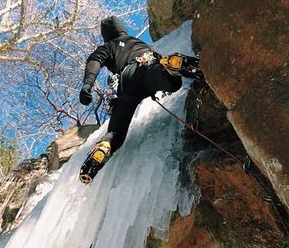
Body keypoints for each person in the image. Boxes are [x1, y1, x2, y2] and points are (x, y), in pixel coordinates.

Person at [78, 16, 203, 183]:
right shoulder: (137, 42)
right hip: (147, 65)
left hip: (127, 83)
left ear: (106, 34)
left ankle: (103, 148)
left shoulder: (108, 46)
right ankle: (171, 67)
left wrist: (87, 85)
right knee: (170, 81)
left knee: (115, 133)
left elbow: (94, 61)